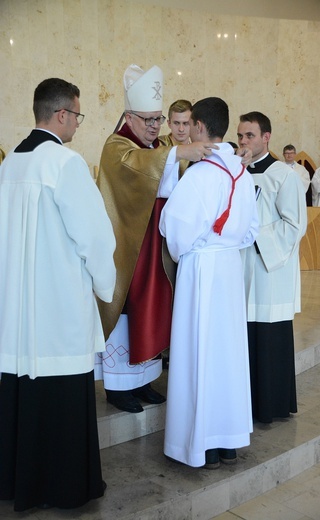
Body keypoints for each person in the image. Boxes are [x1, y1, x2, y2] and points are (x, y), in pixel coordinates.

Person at [0, 78, 116, 511]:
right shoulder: (65, 164)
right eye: (78, 116)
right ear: (62, 114)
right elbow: (95, 237)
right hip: (58, 306)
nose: (78, 126)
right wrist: (106, 286)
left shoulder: (10, 163)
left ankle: (16, 482)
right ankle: (64, 487)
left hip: (14, 309)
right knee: (62, 396)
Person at [94, 64, 218, 414]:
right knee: (127, 309)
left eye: (157, 119)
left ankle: (143, 380)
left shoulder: (153, 146)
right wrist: (178, 153)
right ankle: (118, 388)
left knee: (152, 307)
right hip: (127, 250)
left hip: (153, 247)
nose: (154, 126)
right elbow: (137, 167)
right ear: (128, 116)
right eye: (147, 119)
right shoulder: (116, 145)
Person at [159, 97, 259, 468]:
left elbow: (174, 231)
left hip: (200, 272)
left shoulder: (200, 175)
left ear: (199, 127)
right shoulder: (242, 175)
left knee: (197, 352)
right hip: (230, 270)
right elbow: (251, 230)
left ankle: (198, 445)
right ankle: (227, 441)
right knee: (226, 355)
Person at [237, 111, 307, 424]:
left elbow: (295, 225)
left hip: (270, 270)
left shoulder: (284, 174)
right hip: (240, 268)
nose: (243, 142)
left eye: (249, 135)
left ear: (266, 137)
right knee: (246, 337)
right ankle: (247, 403)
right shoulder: (235, 172)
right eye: (240, 136)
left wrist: (254, 234)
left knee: (268, 338)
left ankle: (273, 405)